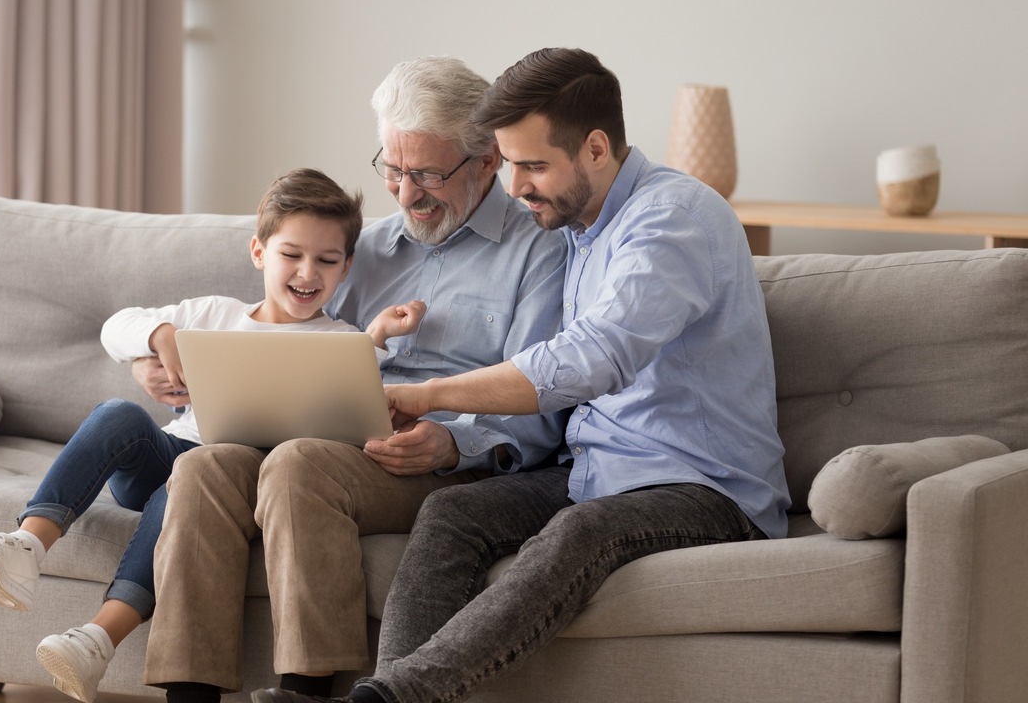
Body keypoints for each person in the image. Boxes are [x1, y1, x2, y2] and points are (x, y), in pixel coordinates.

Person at [251, 48, 792, 703]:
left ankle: (389, 698)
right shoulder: (575, 226)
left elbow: (591, 358)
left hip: (702, 486)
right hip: (593, 471)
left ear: (596, 149)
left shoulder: (671, 221)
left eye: (532, 165)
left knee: (579, 533)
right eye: (509, 164)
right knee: (452, 514)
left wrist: (425, 396)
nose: (514, 186)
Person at [134, 56, 569, 703]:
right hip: (326, 433)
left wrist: (451, 443)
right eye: (392, 169)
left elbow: (540, 403)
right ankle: (186, 695)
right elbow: (281, 333)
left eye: (425, 173)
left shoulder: (539, 253)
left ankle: (306, 692)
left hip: (435, 459)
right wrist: (163, 354)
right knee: (203, 467)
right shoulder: (363, 248)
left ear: (486, 164)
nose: (404, 192)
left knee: (298, 466)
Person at [0, 168, 426, 703]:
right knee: (118, 415)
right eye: (291, 254)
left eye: (326, 260)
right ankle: (28, 543)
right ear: (258, 252)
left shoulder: (342, 340)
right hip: (174, 450)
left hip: (235, 481)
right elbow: (117, 326)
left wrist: (376, 342)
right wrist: (158, 336)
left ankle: (95, 638)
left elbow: (354, 420)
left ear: (347, 267)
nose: (307, 272)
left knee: (189, 485)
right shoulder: (211, 314)